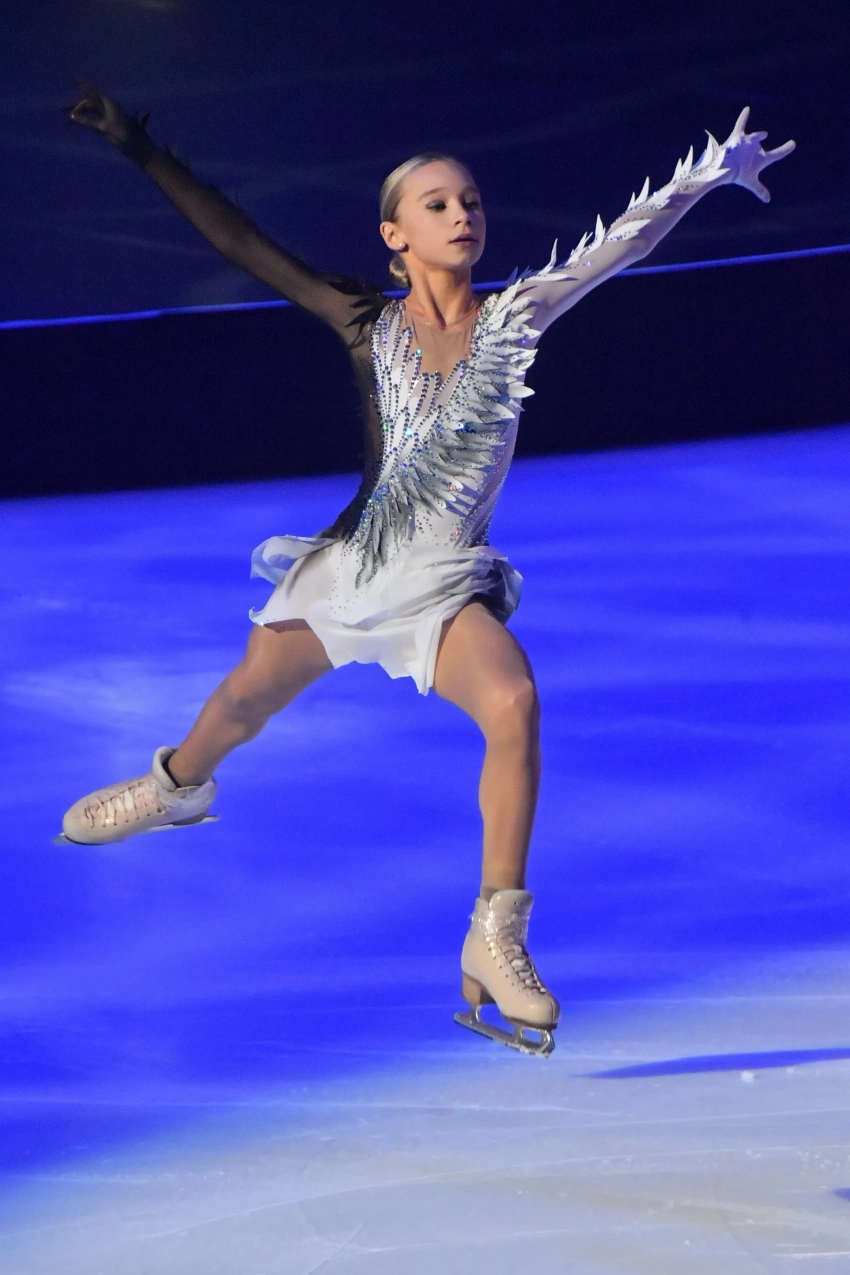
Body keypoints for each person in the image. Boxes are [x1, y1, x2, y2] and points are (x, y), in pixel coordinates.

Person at [61, 84, 794, 1055]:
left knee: (514, 703)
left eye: (471, 202)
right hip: (353, 569)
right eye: (438, 204)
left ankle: (497, 928)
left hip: (443, 585)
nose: (462, 215)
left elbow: (622, 243)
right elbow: (243, 243)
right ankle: (175, 789)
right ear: (394, 236)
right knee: (240, 702)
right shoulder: (365, 322)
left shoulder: (515, 318)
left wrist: (710, 174)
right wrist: (138, 145)